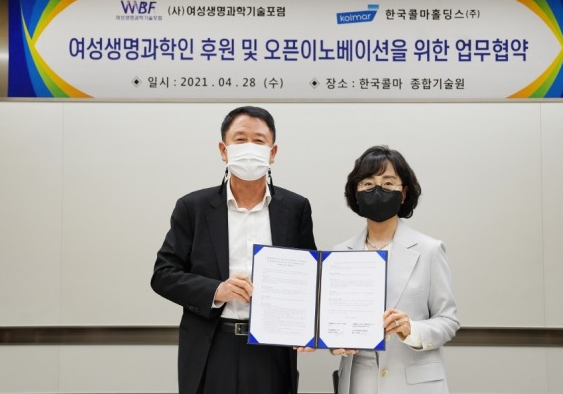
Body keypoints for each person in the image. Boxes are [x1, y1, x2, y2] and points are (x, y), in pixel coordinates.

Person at [151, 106, 317, 394]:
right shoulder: (193, 208)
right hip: (212, 346)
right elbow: (163, 275)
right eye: (240, 139)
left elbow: (310, 276)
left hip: (272, 349)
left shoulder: (295, 208)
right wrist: (217, 291)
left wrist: (310, 326)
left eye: (259, 140)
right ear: (223, 150)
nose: (249, 148)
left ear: (273, 153)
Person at [331, 145, 459, 394]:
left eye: (388, 183)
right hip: (358, 382)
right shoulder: (339, 253)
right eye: (368, 184)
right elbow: (334, 322)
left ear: (403, 193)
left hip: (413, 385)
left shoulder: (430, 250)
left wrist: (412, 330)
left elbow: (448, 320)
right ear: (356, 193)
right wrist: (334, 340)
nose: (377, 190)